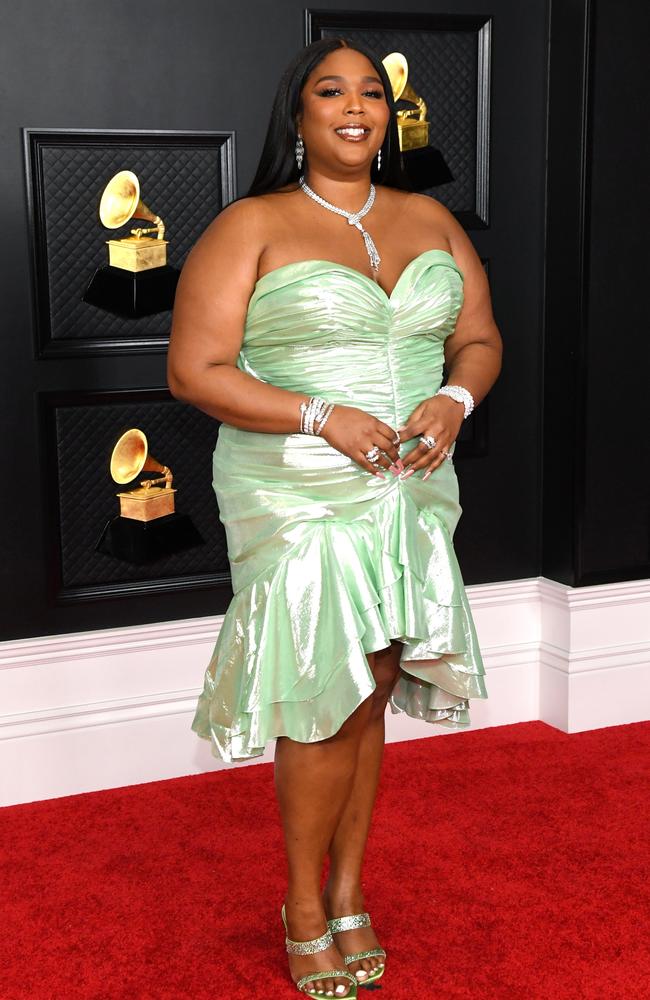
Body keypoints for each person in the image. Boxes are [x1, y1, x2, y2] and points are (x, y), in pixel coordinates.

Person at [168, 36, 502, 999]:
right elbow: (194, 371)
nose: (356, 107)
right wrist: (323, 415)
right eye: (331, 90)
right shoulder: (253, 224)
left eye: (372, 94)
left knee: (375, 679)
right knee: (322, 691)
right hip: (297, 485)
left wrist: (456, 402)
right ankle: (302, 908)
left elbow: (478, 337)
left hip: (409, 484)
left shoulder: (430, 216)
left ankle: (350, 892)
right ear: (299, 114)